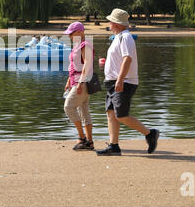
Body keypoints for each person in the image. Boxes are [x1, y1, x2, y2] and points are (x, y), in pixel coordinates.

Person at [97, 9, 159, 156]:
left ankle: (150, 133)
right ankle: (114, 146)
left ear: (116, 24)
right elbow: (121, 58)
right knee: (111, 113)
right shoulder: (118, 37)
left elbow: (127, 59)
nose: (109, 24)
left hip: (123, 82)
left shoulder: (126, 37)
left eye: (110, 21)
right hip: (113, 82)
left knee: (121, 115)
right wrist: (108, 64)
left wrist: (120, 80)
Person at [63, 22, 95, 151]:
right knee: (84, 111)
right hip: (76, 81)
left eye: (72, 33)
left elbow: (87, 65)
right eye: (69, 34)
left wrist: (81, 82)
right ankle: (90, 142)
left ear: (80, 32)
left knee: (68, 107)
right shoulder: (77, 45)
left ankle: (82, 138)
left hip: (83, 82)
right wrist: (68, 81)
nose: (70, 36)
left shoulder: (85, 45)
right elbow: (75, 65)